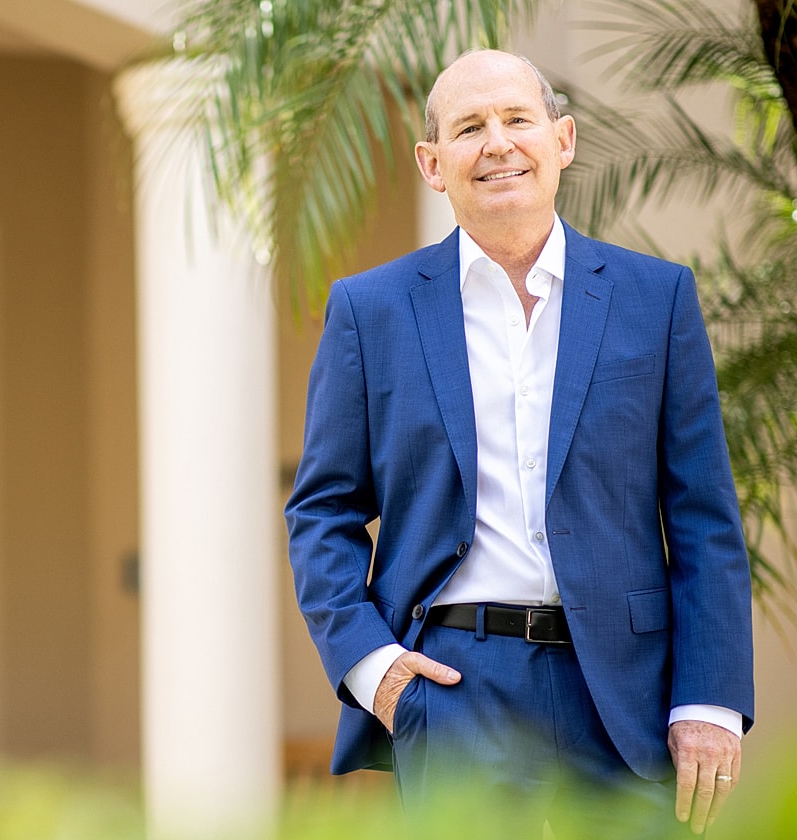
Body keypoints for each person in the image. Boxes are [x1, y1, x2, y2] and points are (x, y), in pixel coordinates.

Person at [284, 49, 753, 838]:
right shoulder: (371, 312)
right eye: (469, 127)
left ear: (561, 140)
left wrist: (708, 699)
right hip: (453, 686)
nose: (497, 143)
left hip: (627, 698)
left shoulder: (655, 299)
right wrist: (377, 672)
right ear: (434, 165)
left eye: (517, 120)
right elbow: (321, 511)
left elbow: (703, 515)